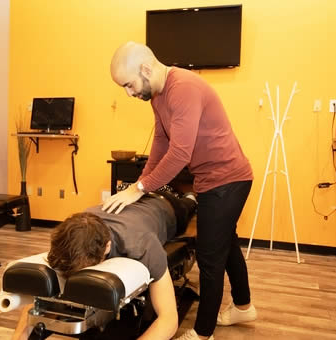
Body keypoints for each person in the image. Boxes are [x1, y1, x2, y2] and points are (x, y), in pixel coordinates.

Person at [104, 41, 257, 340]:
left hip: (227, 180)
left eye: (129, 84)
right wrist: (143, 184)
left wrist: (138, 189)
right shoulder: (158, 97)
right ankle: (243, 306)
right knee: (226, 245)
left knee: (209, 255)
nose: (129, 93)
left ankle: (202, 334)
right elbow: (161, 145)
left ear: (146, 69)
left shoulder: (183, 88)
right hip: (215, 179)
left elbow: (180, 154)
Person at [11, 191, 197, 340]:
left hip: (166, 205)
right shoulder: (70, 237)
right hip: (130, 203)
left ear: (107, 247)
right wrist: (19, 336)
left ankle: (190, 198)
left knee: (188, 205)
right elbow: (39, 299)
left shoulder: (141, 244)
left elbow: (169, 320)